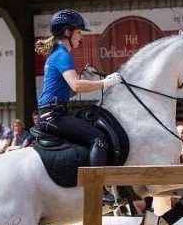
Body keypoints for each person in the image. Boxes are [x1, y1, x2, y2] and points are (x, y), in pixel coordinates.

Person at [35, 9, 121, 168]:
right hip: (54, 116)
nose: (81, 37)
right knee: (99, 139)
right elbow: (76, 85)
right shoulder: (62, 54)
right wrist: (105, 82)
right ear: (68, 32)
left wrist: (87, 79)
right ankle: (98, 189)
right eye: (79, 32)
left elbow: (70, 90)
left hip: (52, 113)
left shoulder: (56, 53)